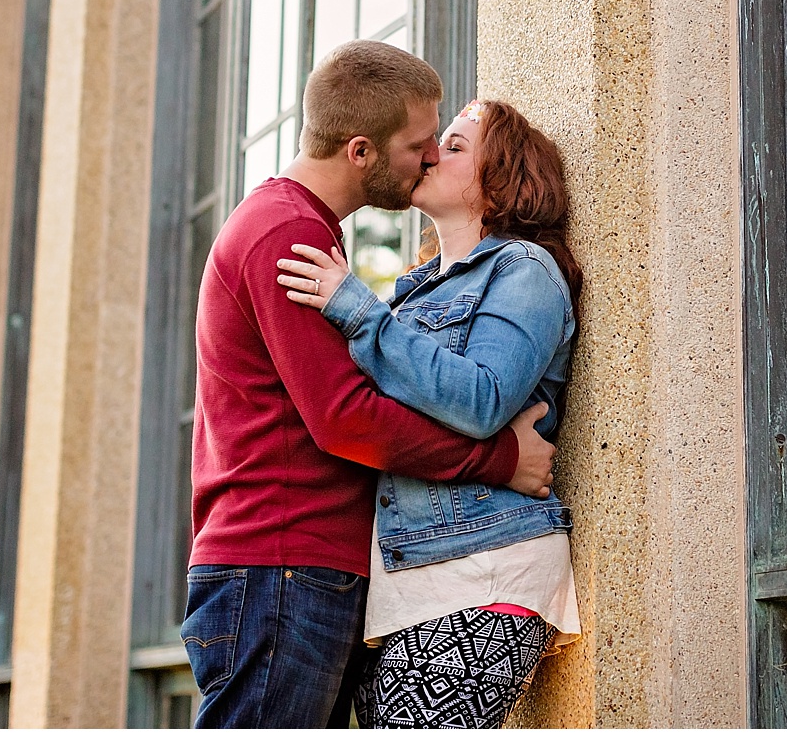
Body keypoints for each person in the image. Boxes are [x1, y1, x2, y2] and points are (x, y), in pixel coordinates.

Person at [182, 42, 556, 730]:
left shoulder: (302, 229)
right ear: (361, 151)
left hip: (292, 568)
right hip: (282, 563)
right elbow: (345, 418)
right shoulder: (288, 234)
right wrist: (501, 460)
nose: (428, 158)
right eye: (419, 144)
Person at [278, 97, 581, 729]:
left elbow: (483, 399)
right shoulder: (409, 293)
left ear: (502, 180)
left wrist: (357, 311)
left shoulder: (524, 269)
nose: (431, 154)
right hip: (403, 576)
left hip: (485, 566)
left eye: (457, 144)